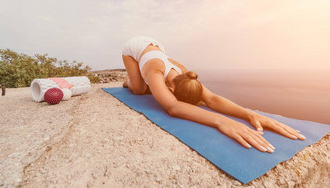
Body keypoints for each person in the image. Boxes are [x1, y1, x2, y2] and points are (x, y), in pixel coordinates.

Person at [122, 36, 305, 153]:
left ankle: (144, 83)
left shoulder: (186, 75)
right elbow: (173, 107)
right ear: (171, 90)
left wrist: (250, 114)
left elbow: (211, 99)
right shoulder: (155, 72)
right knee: (139, 90)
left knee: (151, 90)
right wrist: (221, 120)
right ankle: (129, 79)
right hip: (134, 48)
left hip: (157, 47)